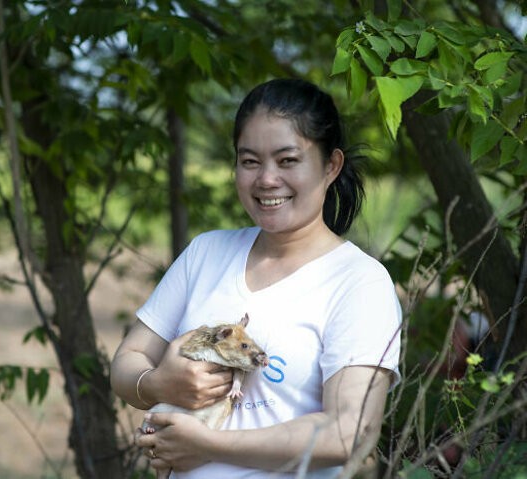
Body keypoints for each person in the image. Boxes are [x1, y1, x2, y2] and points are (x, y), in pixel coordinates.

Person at [110, 78, 402, 478]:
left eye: (287, 161)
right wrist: (158, 384)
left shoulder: (359, 282)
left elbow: (350, 432)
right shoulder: (206, 253)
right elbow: (126, 362)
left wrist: (207, 445)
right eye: (250, 161)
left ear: (331, 166)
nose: (266, 179)